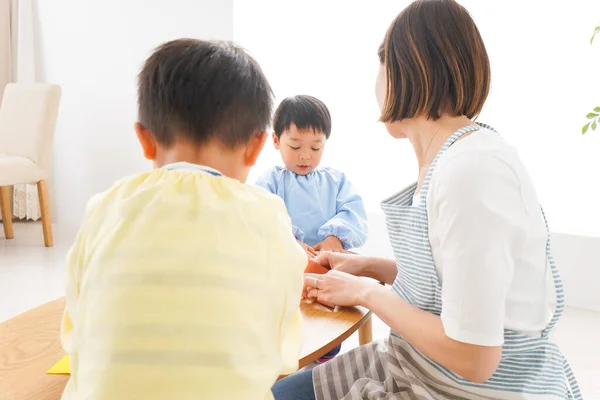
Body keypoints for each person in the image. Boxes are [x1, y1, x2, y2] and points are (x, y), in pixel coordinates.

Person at [272, 1, 582, 399]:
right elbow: (455, 284)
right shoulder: (453, 158)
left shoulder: (470, 172)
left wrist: (367, 292)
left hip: (460, 388)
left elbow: (475, 356)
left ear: (405, 72)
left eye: (381, 64)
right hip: (416, 362)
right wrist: (371, 268)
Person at [60, 39, 307, 400]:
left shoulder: (105, 207)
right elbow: (284, 349)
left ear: (145, 139)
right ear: (256, 147)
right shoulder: (267, 215)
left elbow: (75, 330)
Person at [256, 95, 368, 257]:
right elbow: (261, 216)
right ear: (276, 140)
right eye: (295, 147)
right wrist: (288, 241)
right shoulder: (271, 180)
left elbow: (354, 212)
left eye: (315, 147)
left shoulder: (336, 181)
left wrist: (334, 238)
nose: (305, 156)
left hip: (328, 262)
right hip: (283, 260)